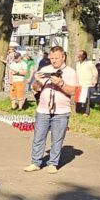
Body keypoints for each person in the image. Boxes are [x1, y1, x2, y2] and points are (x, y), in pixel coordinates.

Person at [24, 46, 78, 174]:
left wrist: (61, 84)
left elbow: (73, 91)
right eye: (51, 58)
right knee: (38, 137)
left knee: (57, 139)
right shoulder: (45, 70)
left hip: (61, 111)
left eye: (56, 58)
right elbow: (36, 88)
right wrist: (37, 81)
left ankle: (53, 163)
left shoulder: (70, 72)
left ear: (63, 57)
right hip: (43, 109)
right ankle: (35, 162)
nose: (53, 61)